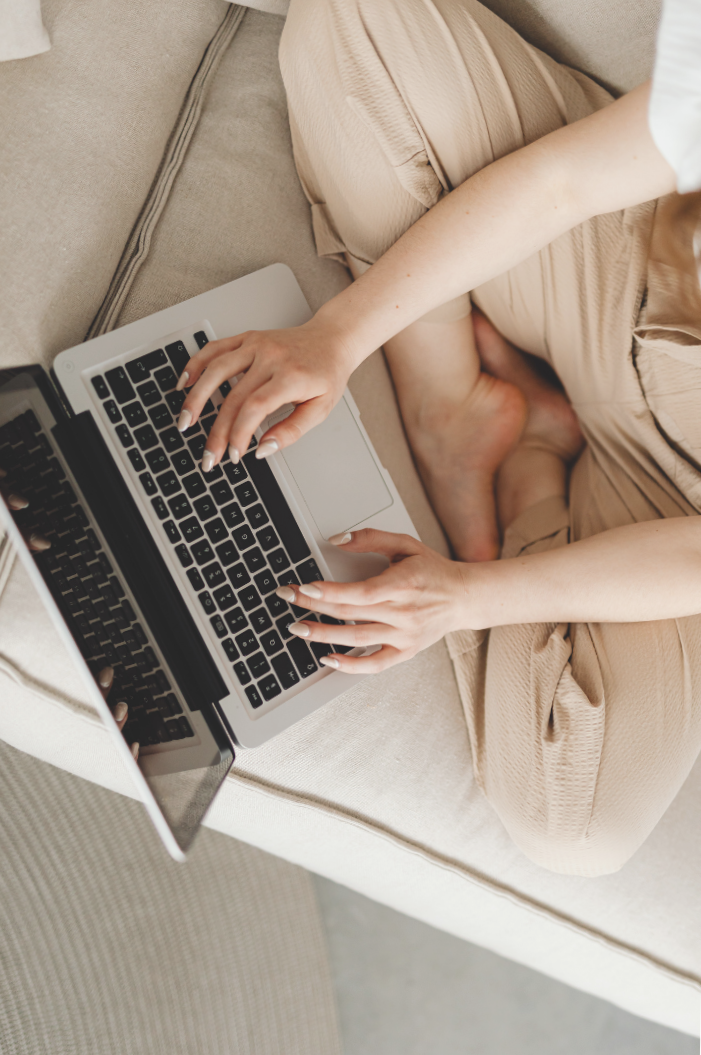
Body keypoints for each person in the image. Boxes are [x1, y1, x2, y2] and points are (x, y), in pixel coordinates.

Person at [178, 0, 701, 875]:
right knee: (348, 20)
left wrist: (470, 594)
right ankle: (446, 402)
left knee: (572, 823)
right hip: (635, 275)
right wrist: (338, 337)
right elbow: (562, 185)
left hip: (675, 504)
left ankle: (531, 459)